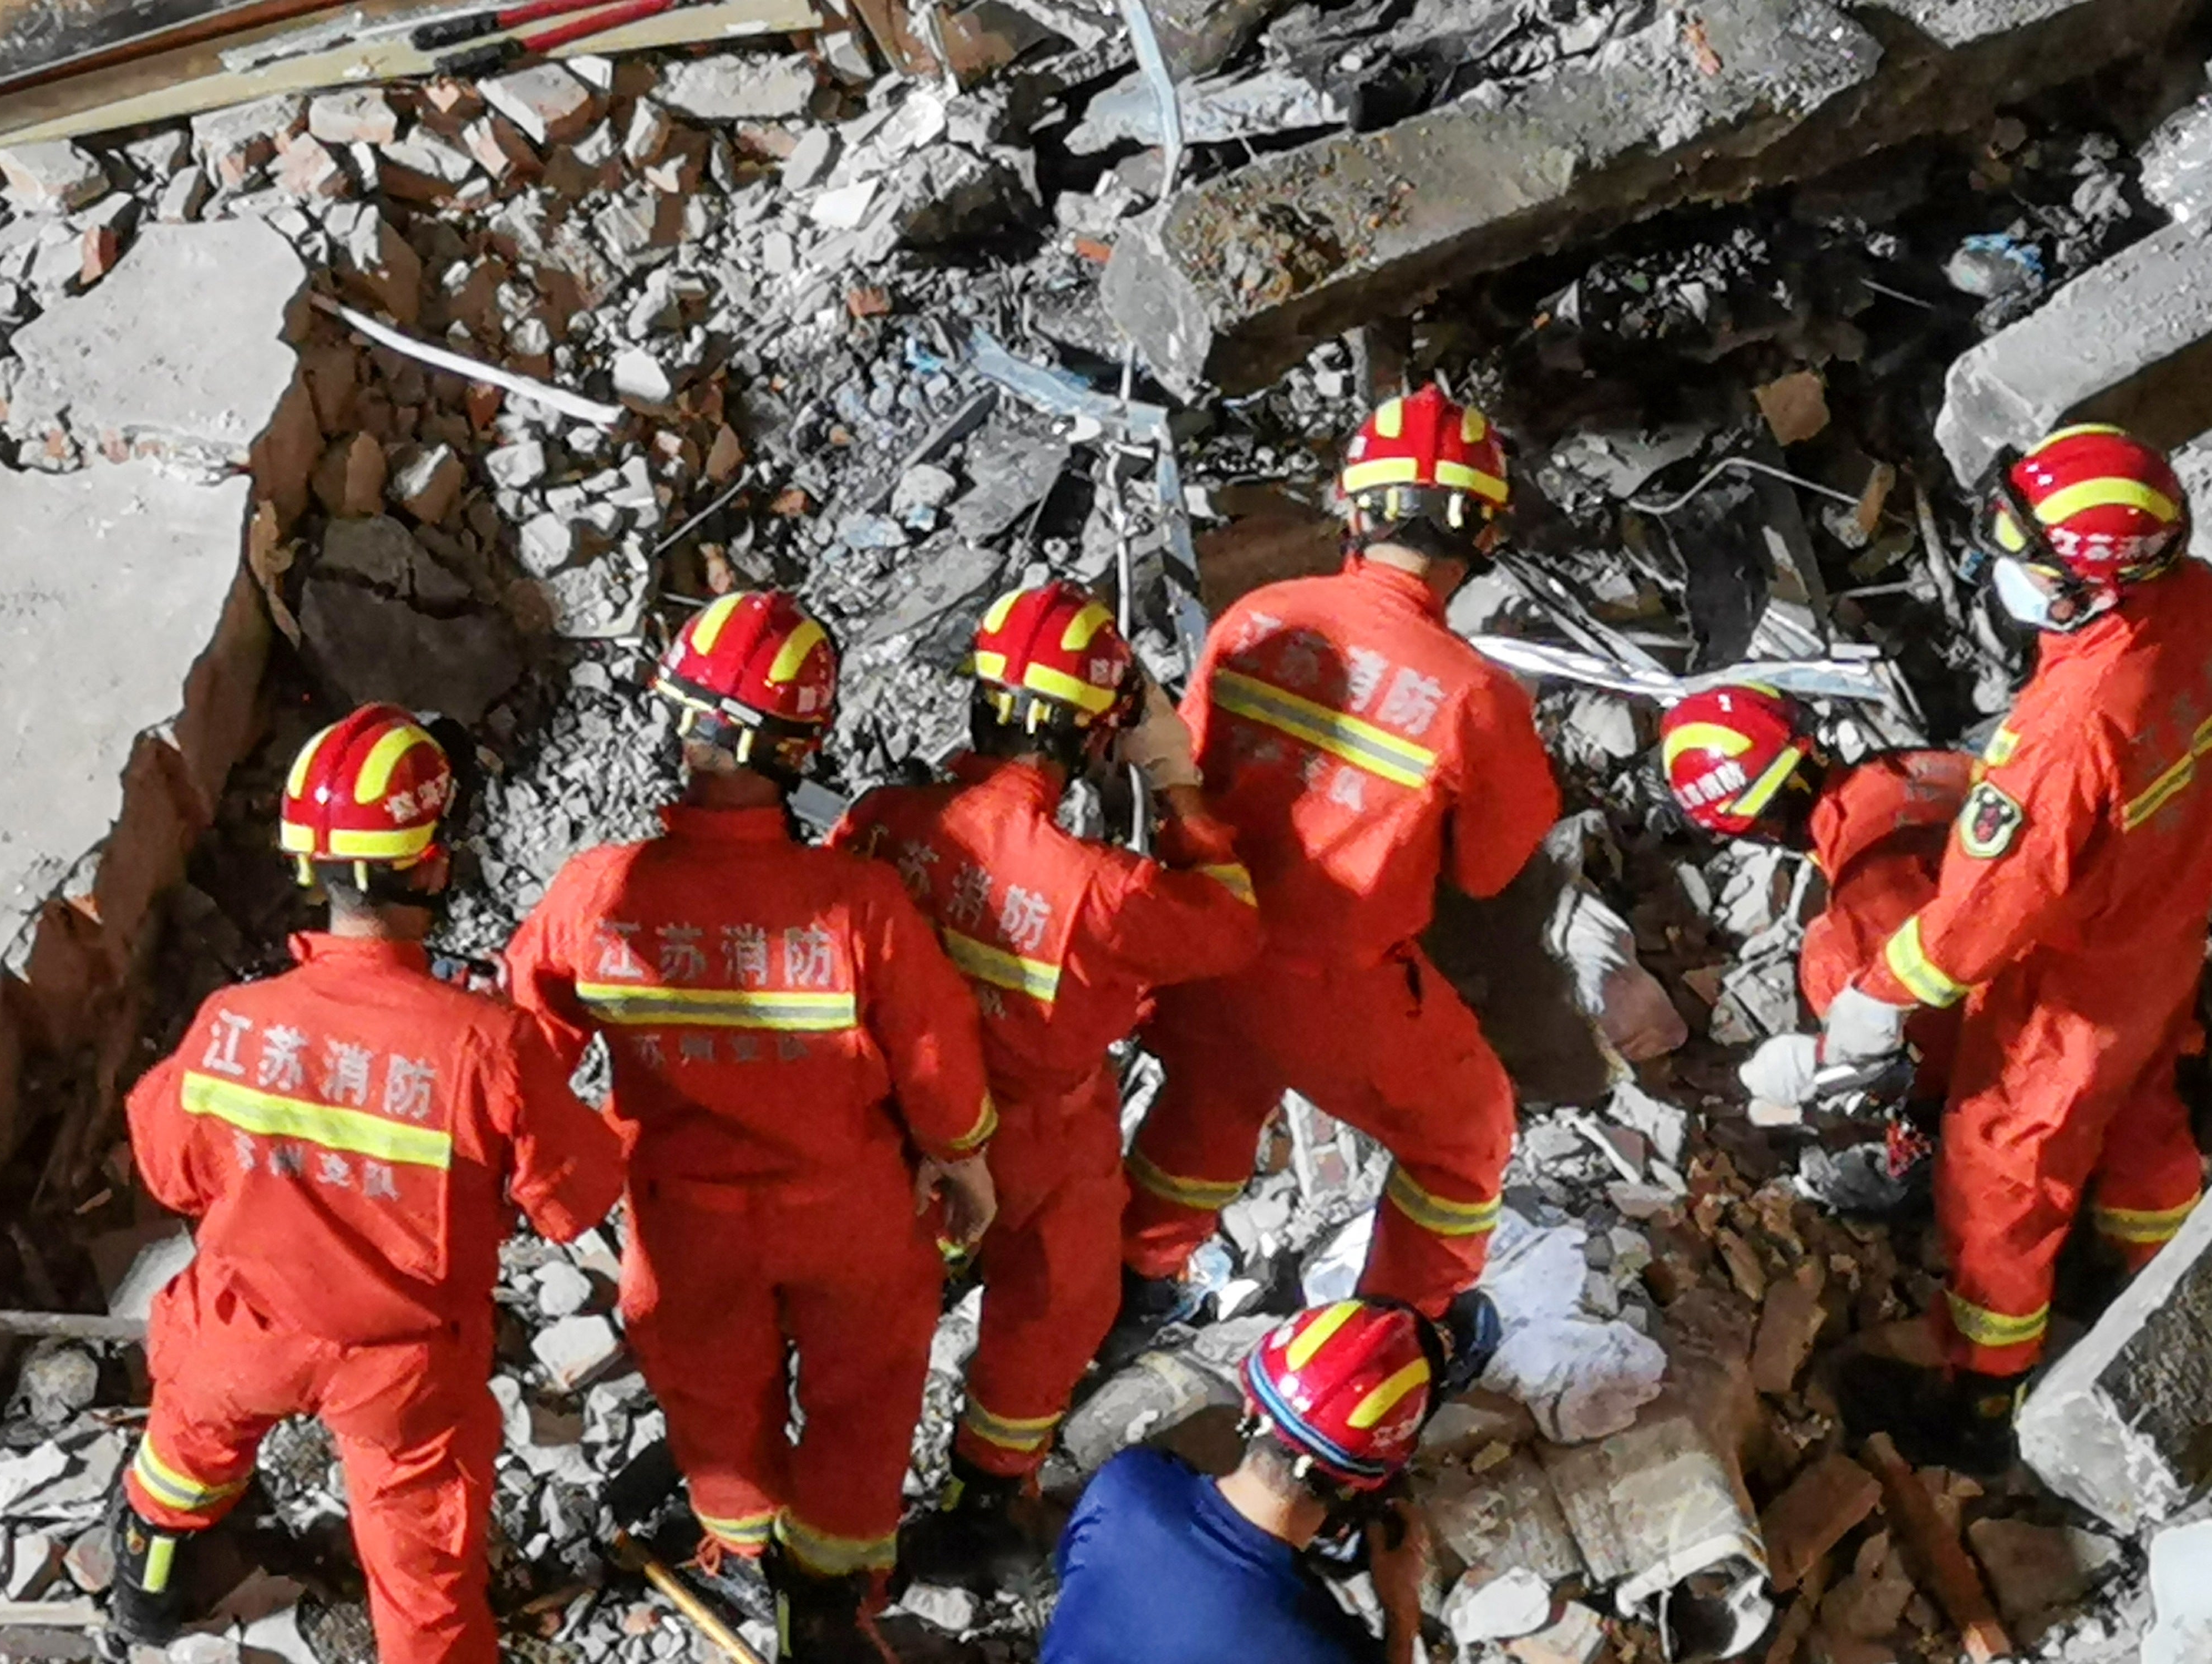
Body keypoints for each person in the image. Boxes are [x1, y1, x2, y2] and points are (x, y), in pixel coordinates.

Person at [503, 590, 999, 1661]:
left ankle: (742, 1544)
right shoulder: (857, 902)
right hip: (850, 1211)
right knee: (864, 1398)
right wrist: (965, 1165)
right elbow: (937, 1065)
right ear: (802, 747)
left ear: (681, 721)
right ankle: (825, 1595)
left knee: (713, 1395)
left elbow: (518, 1055)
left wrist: (557, 1186)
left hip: (683, 1222)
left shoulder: (596, 894)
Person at [110, 704, 624, 1664]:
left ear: (308, 865)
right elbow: (577, 1201)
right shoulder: (487, 1044)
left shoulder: (232, 1022)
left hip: (243, 1329)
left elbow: (169, 1166)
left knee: (183, 1453)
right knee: (423, 1577)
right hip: (402, 1366)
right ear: (433, 865)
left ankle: (143, 1598)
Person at [1115, 383, 1560, 1356]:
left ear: (1354, 510)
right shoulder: (1477, 697)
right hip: (1335, 987)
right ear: (1481, 536)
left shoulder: (1258, 617)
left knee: (1205, 1104)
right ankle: (1392, 1345)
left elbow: (1181, 774)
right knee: (1464, 1133)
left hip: (1200, 943)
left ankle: (1132, 1290)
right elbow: (1487, 873)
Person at [830, 581, 1262, 1576]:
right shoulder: (1101, 889)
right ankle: (984, 1496)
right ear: (1092, 738)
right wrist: (1179, 787)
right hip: (1040, 1138)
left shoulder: (885, 821)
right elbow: (1232, 929)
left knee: (870, 1316)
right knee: (1054, 1306)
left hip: (891, 1125)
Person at [1812, 425, 2212, 1469]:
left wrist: (1876, 994)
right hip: (2164, 938)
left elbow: (1989, 907)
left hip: (2068, 996)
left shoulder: (2073, 728)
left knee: (1999, 1176)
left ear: (2091, 586)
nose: (2004, 567)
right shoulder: (2197, 604)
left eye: (2022, 556)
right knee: (2142, 1117)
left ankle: (1984, 1397)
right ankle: (2157, 1288)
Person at [1044, 1300, 1442, 1664]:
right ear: (1365, 1483)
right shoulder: (1324, 1646)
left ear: (1252, 1405)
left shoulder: (1128, 1486)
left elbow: (1076, 1575)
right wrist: (1400, 1611)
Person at [1658, 684, 1973, 1133]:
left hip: (2040, 1029)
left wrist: (1838, 1065)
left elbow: (1946, 1022)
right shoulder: (1904, 773)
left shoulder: (1869, 888)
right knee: (1825, 942)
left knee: (1833, 960)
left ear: (1758, 824)